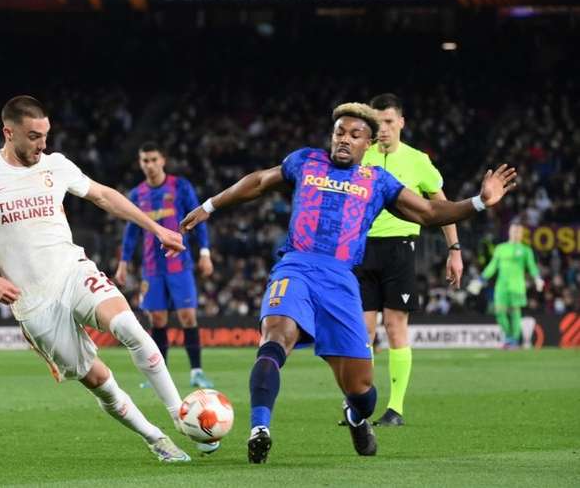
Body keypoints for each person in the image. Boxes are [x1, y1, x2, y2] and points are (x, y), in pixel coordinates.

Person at [180, 102, 517, 463]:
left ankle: (356, 415)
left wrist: (480, 202)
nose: (344, 139)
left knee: (361, 388)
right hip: (295, 267)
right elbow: (259, 181)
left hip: (341, 280)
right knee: (275, 338)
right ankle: (259, 429)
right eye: (339, 132)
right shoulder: (306, 161)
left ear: (368, 144)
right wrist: (210, 206)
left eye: (355, 135)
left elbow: (430, 211)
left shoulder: (378, 182)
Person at [0, 95, 193, 463]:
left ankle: (182, 416)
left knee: (130, 327)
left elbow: (104, 197)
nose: (43, 144)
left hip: (72, 271)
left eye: (45, 135)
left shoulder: (56, 165)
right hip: (32, 302)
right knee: (99, 381)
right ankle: (155, 438)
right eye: (34, 136)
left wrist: (156, 228)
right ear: (8, 133)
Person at [355, 93, 464, 427]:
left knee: (395, 326)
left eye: (389, 122)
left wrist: (455, 250)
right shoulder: (361, 156)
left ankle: (395, 408)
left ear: (401, 122)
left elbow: (441, 204)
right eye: (377, 123)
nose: (383, 129)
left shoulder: (418, 161)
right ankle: (360, 406)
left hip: (400, 249)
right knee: (362, 332)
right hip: (360, 249)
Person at [115, 142, 215, 389]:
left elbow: (199, 220)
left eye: (153, 159)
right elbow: (131, 232)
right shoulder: (137, 194)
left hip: (179, 264)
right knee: (157, 319)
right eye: (144, 160)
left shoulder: (180, 187)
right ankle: (161, 374)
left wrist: (205, 253)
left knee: (187, 316)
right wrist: (123, 262)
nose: (148, 165)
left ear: (163, 161)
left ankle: (196, 372)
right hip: (151, 267)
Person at [480, 221, 543, 348]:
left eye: (518, 232)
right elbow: (492, 266)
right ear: (509, 232)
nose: (516, 234)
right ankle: (508, 336)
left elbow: (532, 267)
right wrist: (481, 279)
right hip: (501, 286)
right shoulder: (500, 248)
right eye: (514, 231)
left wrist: (537, 278)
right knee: (499, 312)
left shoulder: (526, 250)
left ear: (521, 234)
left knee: (515, 313)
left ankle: (513, 340)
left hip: (517, 286)